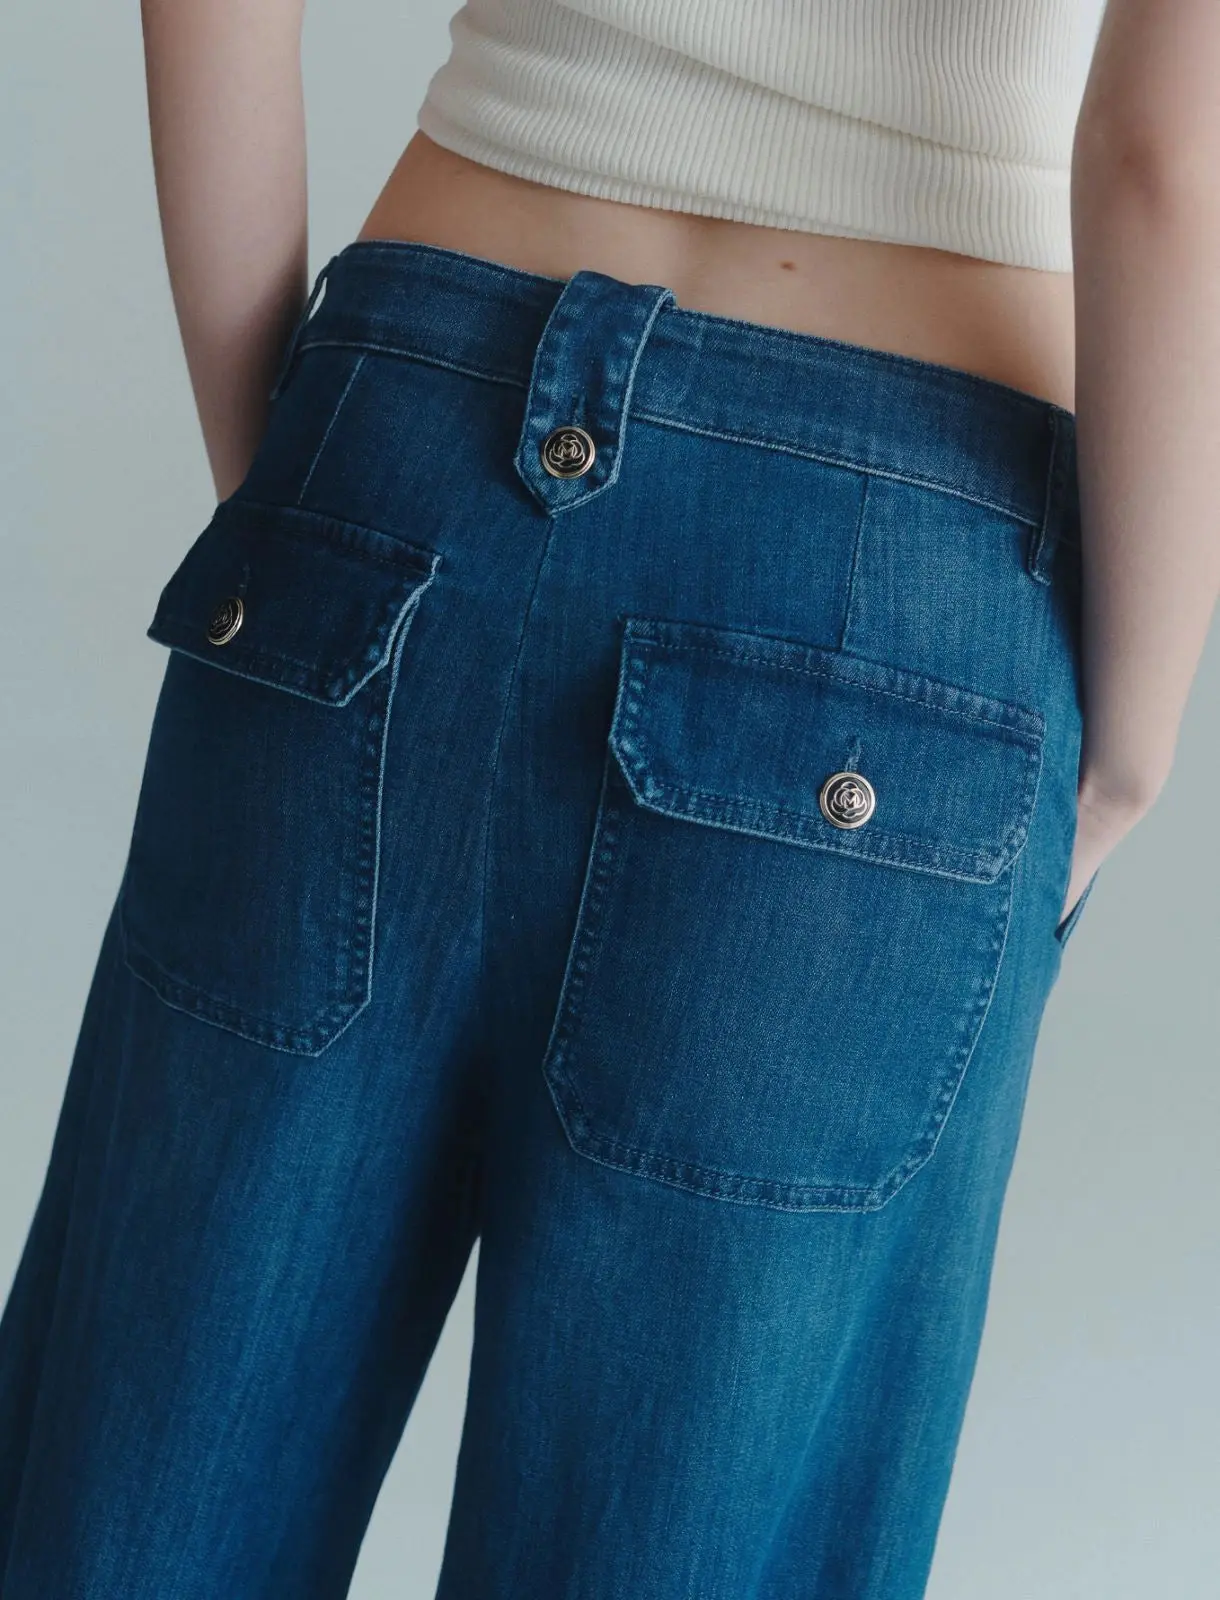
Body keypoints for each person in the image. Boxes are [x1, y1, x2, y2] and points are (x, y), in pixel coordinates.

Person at [1, 2, 1215, 1596]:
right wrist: (1133, 740)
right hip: (899, 560)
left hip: (405, 426)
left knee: (125, 1492)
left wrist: (283, 490)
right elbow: (1162, 153)